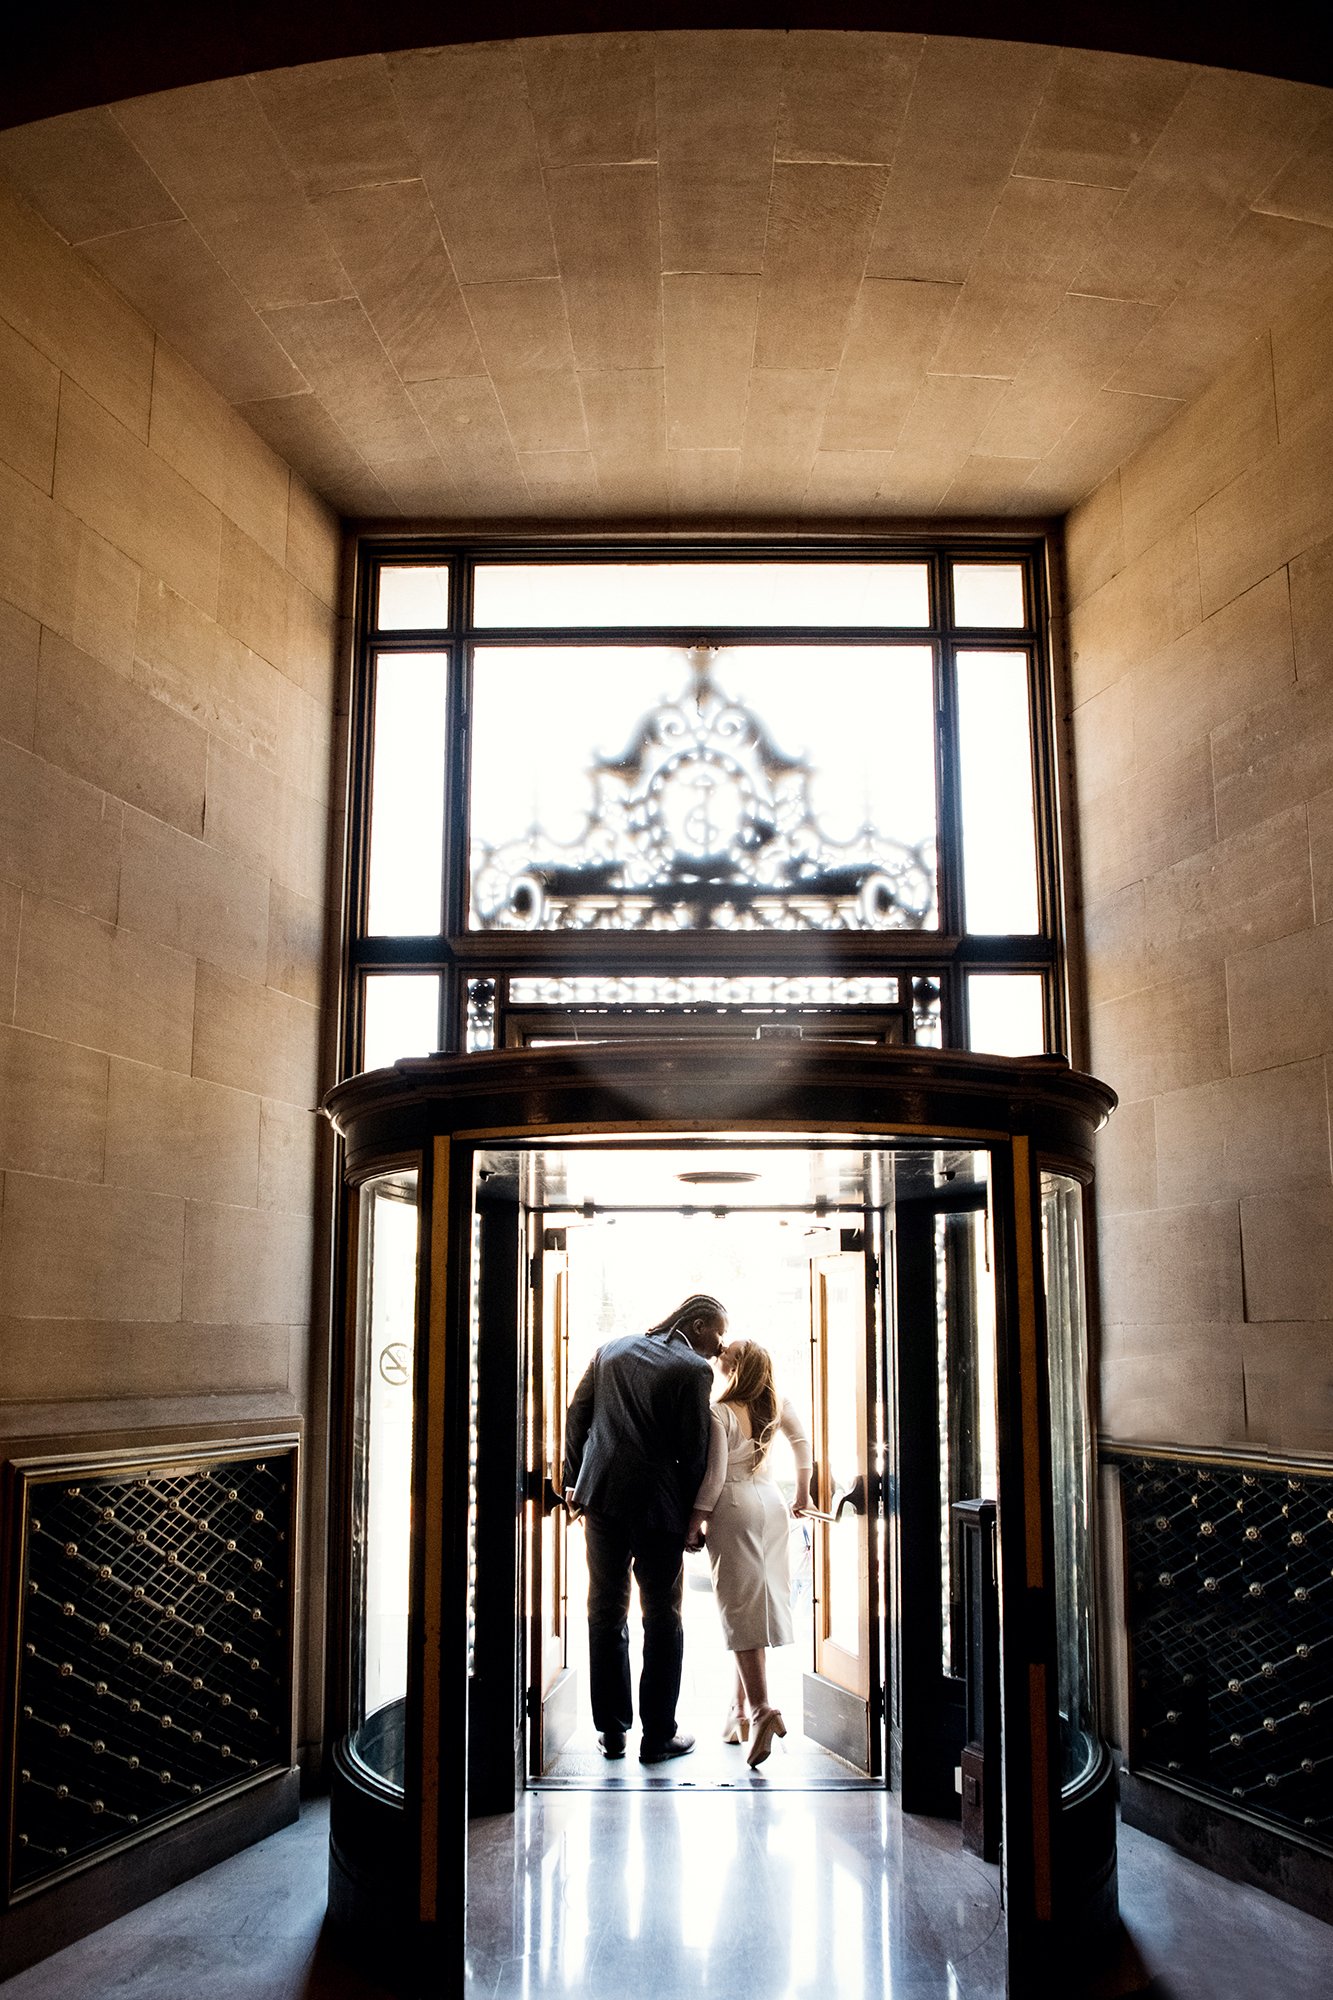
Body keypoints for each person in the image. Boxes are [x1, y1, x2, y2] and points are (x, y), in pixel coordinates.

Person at [562, 1293, 727, 1763]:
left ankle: (612, 1733)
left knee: (605, 1611)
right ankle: (658, 1736)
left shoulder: (611, 1349)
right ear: (696, 1325)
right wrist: (696, 1518)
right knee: (662, 1617)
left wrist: (575, 1481)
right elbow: (693, 1451)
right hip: (659, 1511)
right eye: (717, 1332)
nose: (720, 1345)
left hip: (603, 1502)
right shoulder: (694, 1371)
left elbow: (578, 1414)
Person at [688, 1338, 812, 1769]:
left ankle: (761, 1711)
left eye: (727, 1352)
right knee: (755, 1606)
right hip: (771, 1505)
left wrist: (693, 1525)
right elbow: (803, 1445)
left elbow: (713, 1479)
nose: (720, 1351)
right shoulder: (774, 1404)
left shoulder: (720, 1412)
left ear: (736, 1367)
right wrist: (803, 1493)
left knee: (740, 1609)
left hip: (734, 1508)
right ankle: (737, 1712)